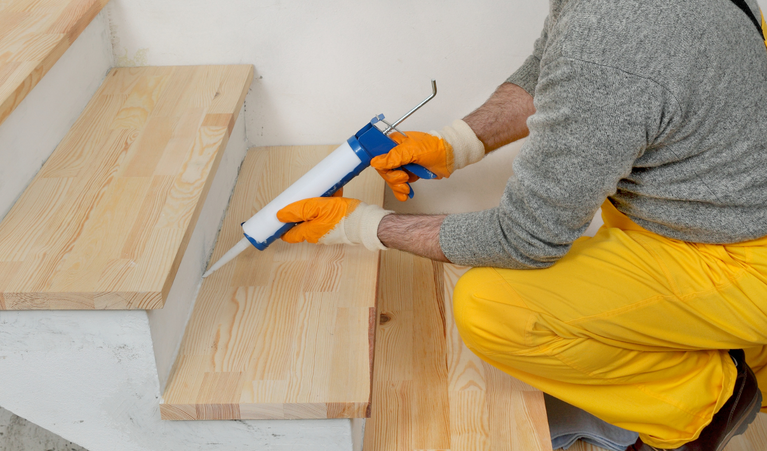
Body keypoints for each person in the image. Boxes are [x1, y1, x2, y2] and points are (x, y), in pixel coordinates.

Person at [276, 0, 767, 449]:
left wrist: (363, 226)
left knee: (493, 308)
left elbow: (525, 238)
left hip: (744, 259)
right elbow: (554, 62)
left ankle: (708, 401)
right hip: (725, 210)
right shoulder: (608, 23)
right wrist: (457, 143)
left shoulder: (611, 43)